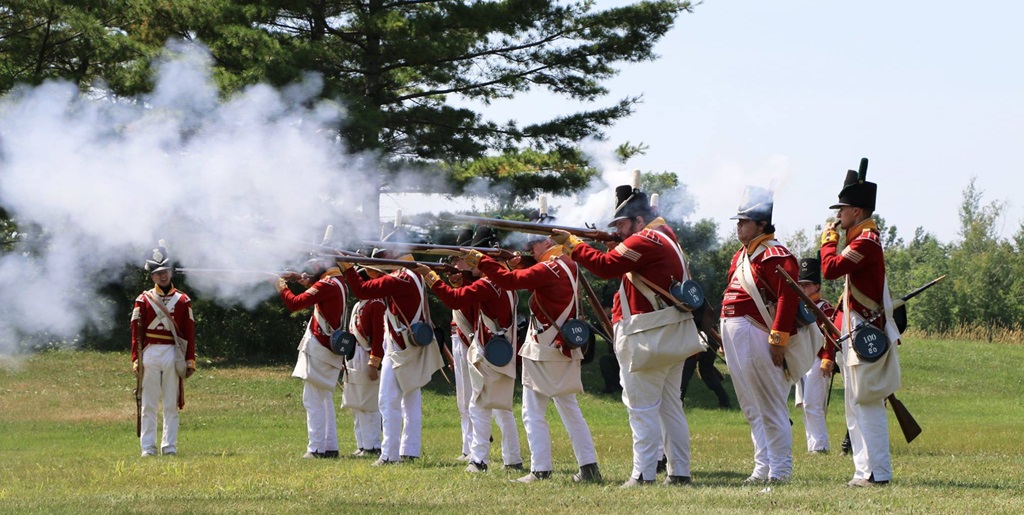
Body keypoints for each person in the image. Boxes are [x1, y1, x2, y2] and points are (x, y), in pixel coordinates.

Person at [553, 180, 698, 487]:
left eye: (621, 224)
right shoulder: (666, 236)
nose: (618, 231)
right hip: (669, 334)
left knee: (641, 408)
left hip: (647, 337)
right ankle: (679, 472)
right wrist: (611, 243)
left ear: (639, 221)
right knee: (670, 408)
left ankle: (643, 475)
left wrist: (573, 244)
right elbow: (621, 263)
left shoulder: (645, 240)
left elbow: (605, 267)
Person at [466, 212, 601, 484]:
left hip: (545, 350)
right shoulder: (567, 264)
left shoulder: (549, 267)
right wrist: (518, 263)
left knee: (532, 412)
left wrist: (484, 262)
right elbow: (525, 273)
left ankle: (540, 469)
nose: (529, 250)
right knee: (569, 409)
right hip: (558, 348)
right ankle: (588, 467)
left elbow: (509, 282)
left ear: (543, 243)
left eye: (532, 246)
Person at [820, 160, 902, 487]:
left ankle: (878, 473)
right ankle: (863, 470)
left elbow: (830, 269)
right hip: (857, 326)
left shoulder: (866, 240)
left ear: (855, 211)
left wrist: (828, 240)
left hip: (864, 328)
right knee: (857, 404)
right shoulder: (862, 236)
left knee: (867, 403)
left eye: (842, 210)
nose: (838, 216)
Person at [418, 228, 523, 473]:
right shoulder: (503, 279)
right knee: (500, 407)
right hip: (501, 349)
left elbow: (455, 299)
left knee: (479, 405)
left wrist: (431, 278)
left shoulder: (489, 283)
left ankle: (479, 460)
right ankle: (513, 459)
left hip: (489, 350)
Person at [720, 186, 802, 484]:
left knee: (770, 405)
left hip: (758, 334)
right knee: (752, 407)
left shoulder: (775, 254)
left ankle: (780, 471)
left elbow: (787, 298)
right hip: (735, 334)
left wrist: (778, 339)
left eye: (744, 221)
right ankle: (762, 467)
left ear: (762, 225)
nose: (739, 226)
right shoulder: (741, 256)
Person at [342, 229, 444, 466]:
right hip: (409, 344)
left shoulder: (401, 277)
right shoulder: (414, 274)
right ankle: (410, 449)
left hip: (400, 346)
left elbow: (361, 291)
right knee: (410, 400)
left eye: (385, 253)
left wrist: (346, 266)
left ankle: (389, 453)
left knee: (387, 400)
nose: (382, 258)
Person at [274, 256, 348, 459]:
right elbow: (317, 286)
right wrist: (299, 279)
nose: (312, 265)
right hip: (327, 350)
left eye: (317, 262)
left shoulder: (326, 284)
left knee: (313, 399)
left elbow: (295, 304)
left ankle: (315, 448)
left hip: (320, 349)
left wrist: (279, 285)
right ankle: (329, 446)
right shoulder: (338, 281)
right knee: (323, 398)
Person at [131, 242, 196, 457]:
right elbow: (135, 334)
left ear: (170, 271)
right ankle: (148, 448)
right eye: (158, 273)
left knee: (170, 404)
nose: (162, 276)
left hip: (171, 353)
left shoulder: (183, 300)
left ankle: (170, 447)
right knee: (148, 404)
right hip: (150, 353)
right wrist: (136, 359)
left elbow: (189, 333)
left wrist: (189, 359)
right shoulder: (143, 300)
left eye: (165, 271)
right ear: (152, 276)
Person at [341, 266, 386, 457]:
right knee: (356, 403)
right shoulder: (360, 304)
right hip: (353, 355)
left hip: (366, 354)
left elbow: (378, 336)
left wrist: (374, 362)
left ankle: (373, 445)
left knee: (369, 403)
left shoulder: (376, 304)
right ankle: (362, 444)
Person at [793, 257, 835, 453]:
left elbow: (831, 335)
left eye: (807, 285)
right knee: (806, 406)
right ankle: (813, 446)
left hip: (818, 360)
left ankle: (820, 446)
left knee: (813, 404)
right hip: (802, 359)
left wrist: (828, 358)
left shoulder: (825, 308)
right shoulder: (799, 307)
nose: (803, 288)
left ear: (816, 286)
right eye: (800, 284)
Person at [448, 227, 477, 462]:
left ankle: (475, 446)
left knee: (472, 395)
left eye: (459, 258)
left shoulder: (475, 282)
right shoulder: (461, 280)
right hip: (458, 338)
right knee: (463, 397)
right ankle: (468, 446)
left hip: (472, 340)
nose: (455, 263)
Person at [680, 343, 731, 409]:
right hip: (707, 341)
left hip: (696, 342)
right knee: (706, 372)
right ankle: (725, 401)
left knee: (686, 372)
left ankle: (678, 402)